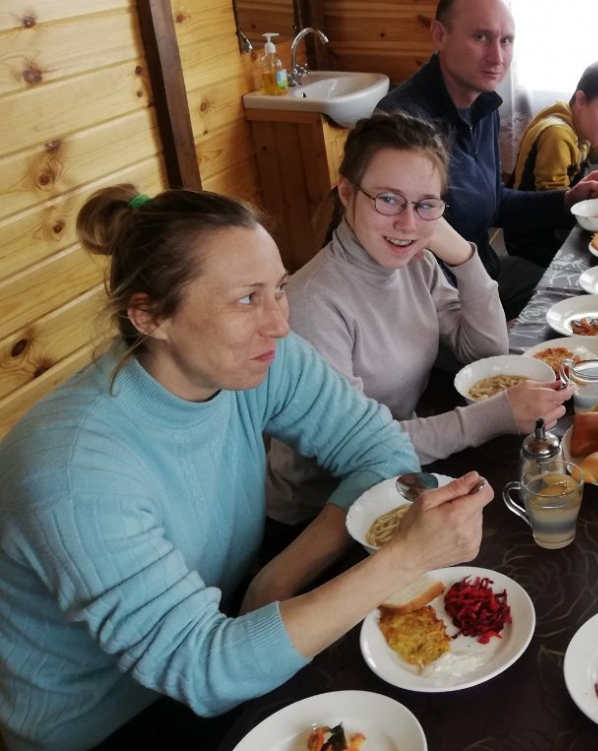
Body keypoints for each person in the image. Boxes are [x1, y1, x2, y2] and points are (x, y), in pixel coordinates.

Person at [0, 186, 492, 751]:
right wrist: (403, 557)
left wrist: (281, 574)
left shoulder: (253, 358)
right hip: (112, 720)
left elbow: (380, 449)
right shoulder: (72, 474)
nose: (278, 324)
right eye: (245, 299)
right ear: (149, 315)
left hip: (227, 630)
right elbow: (203, 672)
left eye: (279, 289)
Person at [266, 112, 572, 527]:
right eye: (388, 199)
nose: (408, 224)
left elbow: (484, 351)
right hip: (324, 516)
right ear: (346, 192)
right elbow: (361, 446)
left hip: (397, 477)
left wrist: (464, 256)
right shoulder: (313, 304)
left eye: (425, 204)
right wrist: (495, 415)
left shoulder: (416, 264)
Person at [375, 0, 598, 318]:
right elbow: (403, 242)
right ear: (439, 35)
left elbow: (493, 201)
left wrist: (566, 200)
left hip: (486, 274)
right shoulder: (403, 123)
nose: (497, 56)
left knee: (589, 292)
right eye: (481, 37)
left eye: (506, 41)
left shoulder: (482, 104)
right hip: (437, 302)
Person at [506, 60, 598, 265]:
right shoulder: (557, 134)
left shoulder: (579, 125)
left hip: (549, 224)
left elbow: (596, 153)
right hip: (533, 235)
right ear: (580, 100)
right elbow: (551, 199)